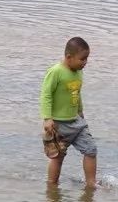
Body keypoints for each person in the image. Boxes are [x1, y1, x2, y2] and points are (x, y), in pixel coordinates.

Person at [40, 36, 97, 188]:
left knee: (91, 149)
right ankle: (52, 186)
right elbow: (46, 95)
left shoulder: (78, 72)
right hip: (58, 124)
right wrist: (47, 118)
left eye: (86, 59)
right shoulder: (56, 72)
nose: (85, 63)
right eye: (82, 59)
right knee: (58, 157)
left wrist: (81, 111)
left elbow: (77, 93)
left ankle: (91, 184)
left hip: (77, 122)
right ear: (69, 57)